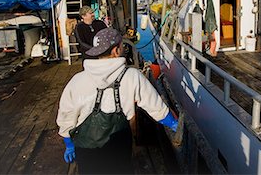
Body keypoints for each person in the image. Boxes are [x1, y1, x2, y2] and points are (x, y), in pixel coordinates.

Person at [57, 28, 178, 174]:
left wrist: (69, 143)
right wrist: (174, 124)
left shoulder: (77, 80)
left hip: (86, 150)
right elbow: (157, 108)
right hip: (118, 148)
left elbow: (66, 115)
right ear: (116, 50)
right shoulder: (132, 76)